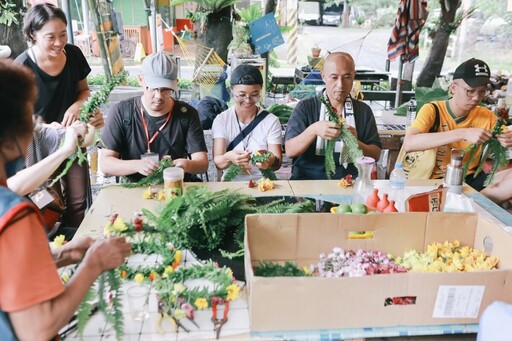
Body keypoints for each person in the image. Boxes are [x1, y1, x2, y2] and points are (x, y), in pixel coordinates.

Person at [0, 59, 131, 340]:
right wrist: (93, 264)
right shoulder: (14, 214)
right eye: (29, 119)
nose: (35, 125)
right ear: (10, 138)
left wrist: (63, 254)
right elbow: (38, 329)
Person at [15, 3, 93, 227]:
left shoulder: (74, 55)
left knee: (78, 201)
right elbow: (19, 121)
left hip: (74, 138)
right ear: (33, 34)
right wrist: (51, 129)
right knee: (49, 203)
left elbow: (84, 91)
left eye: (63, 34)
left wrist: (77, 105)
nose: (59, 42)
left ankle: (77, 248)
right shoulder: (22, 68)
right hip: (39, 147)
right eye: (51, 37)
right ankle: (56, 250)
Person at [402, 58, 512, 204]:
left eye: (482, 92)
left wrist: (509, 139)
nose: (476, 97)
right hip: (431, 182)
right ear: (454, 88)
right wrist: (463, 133)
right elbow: (409, 143)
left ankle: (474, 204)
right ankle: (470, 204)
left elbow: (506, 138)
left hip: (468, 181)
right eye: (470, 91)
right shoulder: (433, 110)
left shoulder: (487, 115)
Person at [100, 51, 208, 182]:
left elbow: (202, 163)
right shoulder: (121, 112)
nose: (159, 96)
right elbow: (105, 164)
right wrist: (137, 165)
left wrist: (186, 165)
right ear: (141, 80)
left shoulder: (187, 114)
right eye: (153, 88)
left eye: (165, 89)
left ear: (176, 83)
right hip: (134, 189)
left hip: (176, 187)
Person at [284, 52, 382, 180]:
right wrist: (314, 130)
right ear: (323, 76)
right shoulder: (305, 108)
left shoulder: (363, 111)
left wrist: (355, 142)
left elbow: (375, 154)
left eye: (347, 77)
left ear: (354, 76)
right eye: (334, 77)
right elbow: (290, 151)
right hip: (307, 180)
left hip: (350, 180)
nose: (340, 85)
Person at [212, 64, 282, 181]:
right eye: (242, 95)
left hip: (263, 183)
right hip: (231, 185)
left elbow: (277, 163)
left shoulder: (271, 121)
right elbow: (218, 162)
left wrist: (269, 161)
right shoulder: (222, 120)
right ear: (231, 90)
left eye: (254, 95)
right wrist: (229, 157)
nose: (248, 100)